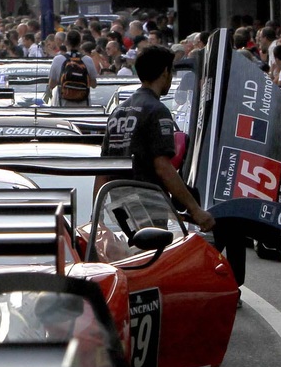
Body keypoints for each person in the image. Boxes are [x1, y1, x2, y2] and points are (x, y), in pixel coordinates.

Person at [99, 44, 214, 233]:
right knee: (153, 256)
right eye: (172, 71)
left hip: (120, 206)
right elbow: (163, 167)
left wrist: (99, 218)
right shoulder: (157, 111)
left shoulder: (118, 111)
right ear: (165, 72)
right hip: (147, 205)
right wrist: (196, 210)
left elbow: (103, 169)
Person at [49, 30, 97, 107]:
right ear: (80, 43)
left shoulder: (57, 59)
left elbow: (51, 85)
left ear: (66, 42)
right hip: (83, 105)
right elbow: (94, 84)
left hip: (63, 105)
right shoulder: (87, 60)